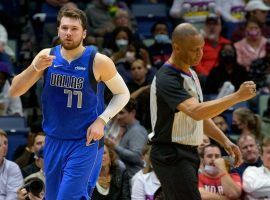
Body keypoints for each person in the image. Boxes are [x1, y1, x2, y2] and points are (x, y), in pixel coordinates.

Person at [9, 7, 130, 200]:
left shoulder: (98, 61)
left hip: (85, 142)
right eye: (64, 27)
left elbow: (123, 93)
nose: (68, 33)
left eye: (74, 28)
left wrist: (102, 120)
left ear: (84, 33)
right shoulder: (47, 57)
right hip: (54, 140)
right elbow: (14, 90)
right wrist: (34, 67)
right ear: (58, 30)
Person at [149, 22, 256, 200]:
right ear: (176, 47)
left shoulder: (191, 74)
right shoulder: (166, 78)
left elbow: (201, 116)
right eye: (194, 50)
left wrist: (225, 141)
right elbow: (196, 111)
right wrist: (237, 96)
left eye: (201, 48)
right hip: (171, 154)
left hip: (187, 152)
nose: (200, 53)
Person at [0, 129, 24, 199]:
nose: (4, 147)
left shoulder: (12, 167)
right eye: (0, 144)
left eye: (5, 143)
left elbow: (13, 197)